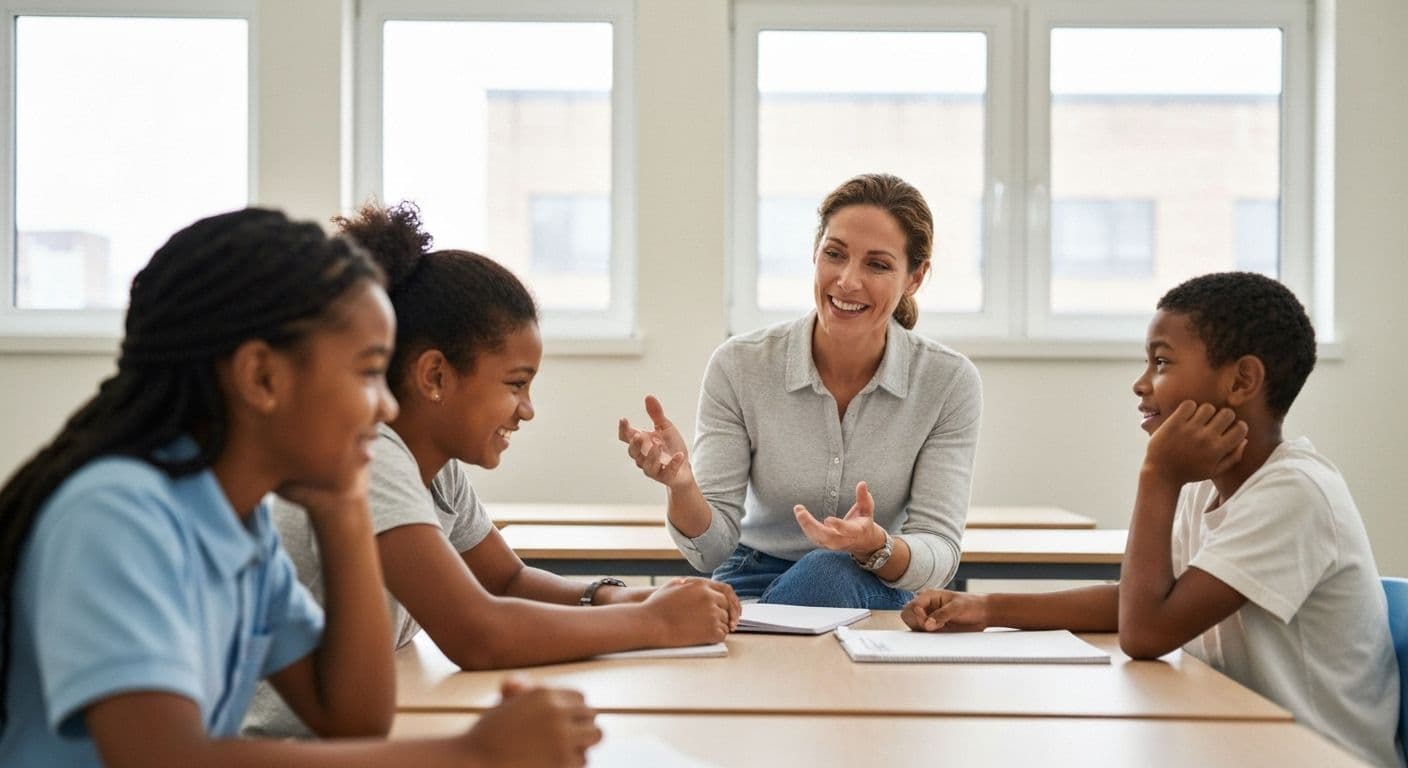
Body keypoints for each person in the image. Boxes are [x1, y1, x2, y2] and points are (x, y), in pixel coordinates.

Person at [0, 209, 601, 767]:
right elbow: (168, 760)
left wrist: (342, 509)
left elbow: (352, 718)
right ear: (262, 377)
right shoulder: (115, 516)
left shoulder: (241, 526)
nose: (387, 403)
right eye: (368, 372)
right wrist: (469, 754)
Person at [244, 202, 739, 738]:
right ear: (435, 375)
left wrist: (628, 597)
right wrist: (655, 622)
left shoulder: (435, 466)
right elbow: (475, 633)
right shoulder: (375, 454)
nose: (527, 409)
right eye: (515, 384)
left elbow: (505, 580)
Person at [902, 272, 1402, 767]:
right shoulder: (1208, 483)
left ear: (1242, 380)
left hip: (1318, 756)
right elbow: (1135, 602)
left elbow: (1145, 634)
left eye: (1161, 362)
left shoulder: (1295, 494)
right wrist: (986, 609)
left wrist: (1157, 476)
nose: (1141, 384)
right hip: (1236, 742)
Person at [619, 173, 982, 610]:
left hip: (874, 581)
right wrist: (682, 487)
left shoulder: (948, 382)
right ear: (815, 253)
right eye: (835, 254)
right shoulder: (739, 365)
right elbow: (710, 553)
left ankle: (758, 642)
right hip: (749, 575)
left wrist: (874, 546)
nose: (848, 280)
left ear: (915, 278)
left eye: (878, 265)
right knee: (795, 582)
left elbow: (939, 551)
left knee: (828, 571)